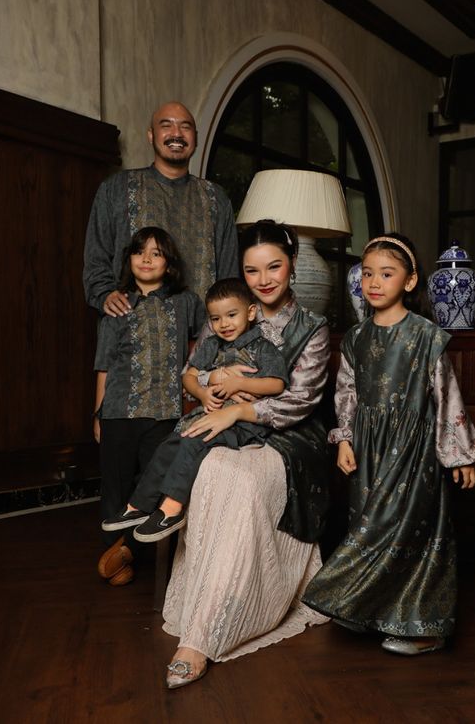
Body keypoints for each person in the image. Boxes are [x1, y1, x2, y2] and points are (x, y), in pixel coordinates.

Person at [97, 220, 331, 689]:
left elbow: (300, 400)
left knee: (239, 481)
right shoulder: (224, 313)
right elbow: (194, 375)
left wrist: (238, 408)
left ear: (292, 265)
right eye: (252, 270)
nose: (263, 279)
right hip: (219, 422)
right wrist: (210, 394)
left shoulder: (313, 328)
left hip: (289, 435)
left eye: (274, 267)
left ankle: (208, 633)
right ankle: (187, 580)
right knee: (210, 467)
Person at [302, 234, 475, 655]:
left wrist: (460, 455)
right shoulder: (355, 337)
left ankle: (425, 628)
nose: (374, 282)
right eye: (367, 274)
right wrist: (344, 440)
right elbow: (346, 393)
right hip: (369, 450)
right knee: (369, 525)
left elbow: (447, 396)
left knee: (408, 529)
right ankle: (369, 608)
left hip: (415, 452)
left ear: (410, 280)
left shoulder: (427, 335)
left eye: (386, 274)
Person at [100, 276, 289, 541]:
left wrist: (239, 383)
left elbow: (277, 384)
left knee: (192, 443)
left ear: (250, 312)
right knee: (170, 444)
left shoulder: (262, 347)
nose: (224, 324)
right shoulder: (211, 345)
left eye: (231, 315)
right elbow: (189, 377)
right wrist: (202, 393)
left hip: (243, 424)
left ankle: (171, 509)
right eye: (216, 318)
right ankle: (138, 507)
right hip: (208, 414)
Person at [93, 226, 205, 556]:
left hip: (165, 412)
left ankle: (144, 554)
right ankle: (115, 556)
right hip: (118, 412)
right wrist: (98, 414)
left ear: (168, 263)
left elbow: (205, 343)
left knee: (154, 488)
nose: (146, 259)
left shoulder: (186, 302)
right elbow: (104, 365)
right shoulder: (116, 306)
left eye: (156, 253)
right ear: (129, 260)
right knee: (115, 489)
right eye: (139, 252)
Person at [83, 101, 238, 318]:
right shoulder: (116, 189)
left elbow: (229, 275)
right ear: (151, 135)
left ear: (195, 138)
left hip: (203, 332)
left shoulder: (216, 198)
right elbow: (96, 259)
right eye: (166, 125)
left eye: (185, 127)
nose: (176, 134)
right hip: (130, 330)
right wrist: (105, 294)